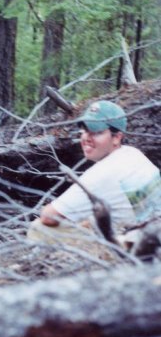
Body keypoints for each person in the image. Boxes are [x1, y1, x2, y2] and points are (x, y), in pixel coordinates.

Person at [27, 100, 161, 246]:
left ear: (117, 137)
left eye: (96, 132)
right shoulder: (133, 154)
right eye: (84, 130)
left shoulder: (103, 172)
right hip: (150, 234)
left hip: (138, 250)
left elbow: (49, 216)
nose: (86, 138)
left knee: (39, 228)